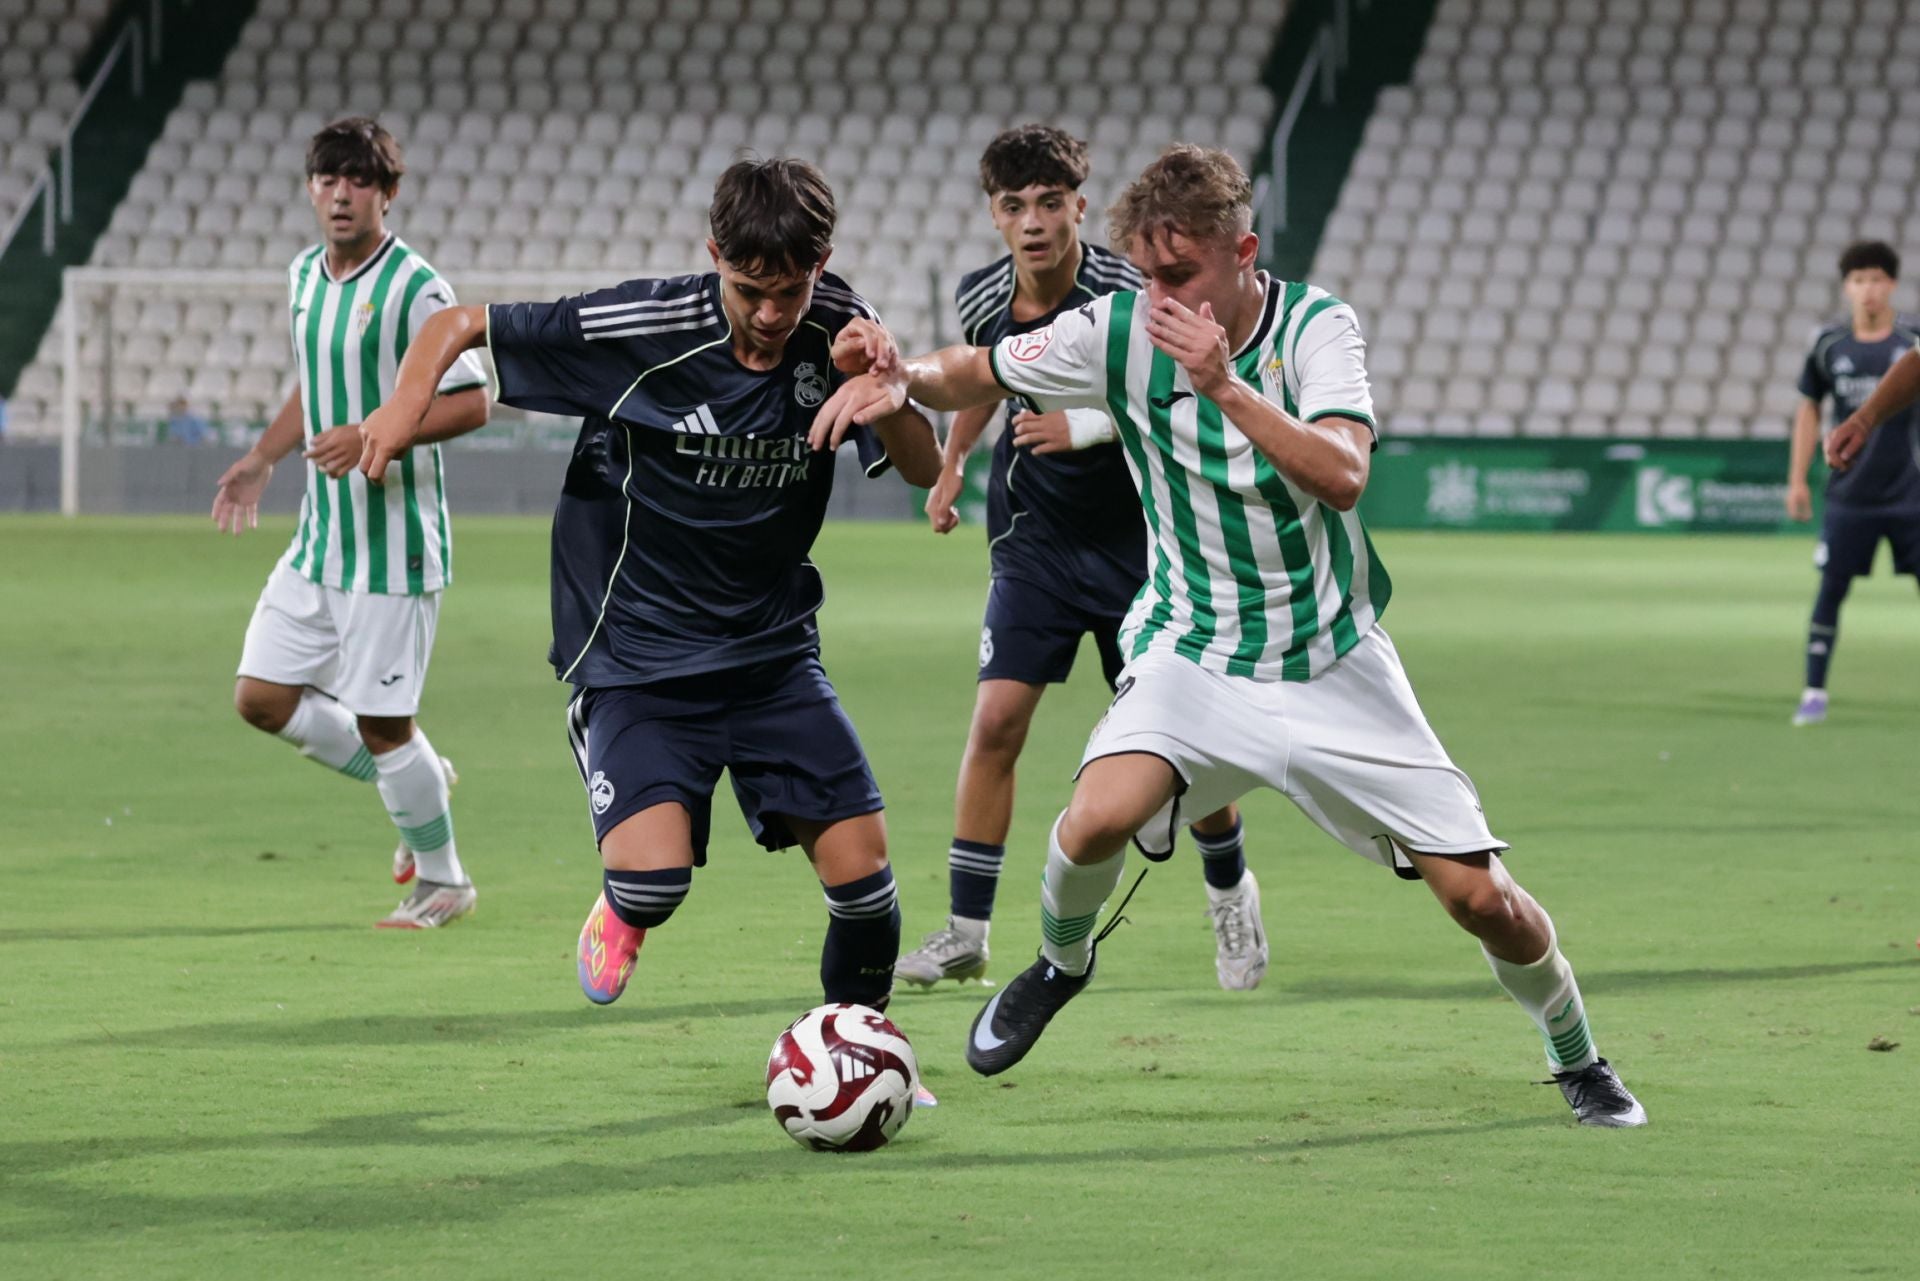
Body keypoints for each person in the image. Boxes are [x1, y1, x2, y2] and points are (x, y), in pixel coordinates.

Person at [816, 145, 1647, 1127]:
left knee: (1481, 901)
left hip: (1331, 662)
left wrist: (1225, 386)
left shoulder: (1316, 328)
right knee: (1090, 820)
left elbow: (1343, 475)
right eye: (1151, 276)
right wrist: (898, 371)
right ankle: (1060, 962)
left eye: (1183, 277)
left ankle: (1576, 1055)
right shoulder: (1119, 328)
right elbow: (979, 369)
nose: (1162, 299)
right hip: (1192, 651)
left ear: (1242, 254)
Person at [357, 158, 942, 1018]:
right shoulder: (646, 324)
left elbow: (924, 467)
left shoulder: (843, 326)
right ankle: (621, 872)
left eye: (794, 288)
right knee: (654, 884)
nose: (775, 314)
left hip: (773, 652)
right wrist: (403, 408)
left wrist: (885, 394)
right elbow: (456, 324)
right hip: (640, 656)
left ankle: (861, 1047)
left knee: (866, 878)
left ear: (822, 262)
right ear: (715, 256)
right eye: (751, 290)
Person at [900, 124, 1265, 994]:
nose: (1034, 222)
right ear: (995, 214)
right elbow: (985, 379)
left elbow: (1181, 393)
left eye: (1050, 204)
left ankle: (1229, 892)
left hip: (1144, 546)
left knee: (1191, 745)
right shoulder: (980, 294)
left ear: (1079, 207)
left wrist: (1087, 424)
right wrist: (951, 464)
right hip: (1035, 543)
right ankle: (966, 930)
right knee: (995, 723)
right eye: (1015, 206)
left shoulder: (1126, 290)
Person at [211, 117, 491, 928]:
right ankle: (420, 783)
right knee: (261, 697)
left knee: (381, 724)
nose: (342, 193)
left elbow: (475, 399)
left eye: (359, 179)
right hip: (320, 538)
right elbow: (315, 382)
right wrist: (264, 457)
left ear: (387, 193)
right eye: (328, 178)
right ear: (310, 188)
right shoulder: (304, 274)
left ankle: (443, 880)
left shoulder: (416, 286)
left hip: (393, 545)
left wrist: (376, 431)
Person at [1784, 241, 1920, 726]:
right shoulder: (1828, 346)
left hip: (1911, 493)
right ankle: (1814, 691)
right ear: (1847, 286)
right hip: (1850, 495)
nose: (1869, 289)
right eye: (1860, 279)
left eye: (1878, 279)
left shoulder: (1912, 339)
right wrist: (1796, 478)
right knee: (1831, 589)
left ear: (1892, 285)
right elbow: (1808, 410)